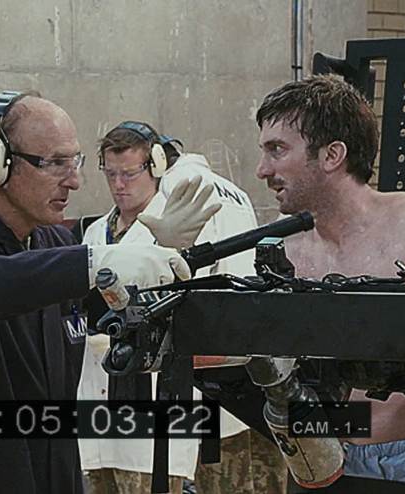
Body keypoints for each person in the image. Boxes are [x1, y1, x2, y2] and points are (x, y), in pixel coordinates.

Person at [0, 91, 192, 493]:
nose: (74, 180)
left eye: (75, 162)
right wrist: (86, 264)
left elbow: (117, 313)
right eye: (54, 163)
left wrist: (165, 259)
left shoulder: (52, 242)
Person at [78, 121, 288, 494]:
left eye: (129, 173)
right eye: (110, 174)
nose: (119, 184)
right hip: (103, 405)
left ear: (156, 166)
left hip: (174, 402)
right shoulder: (95, 233)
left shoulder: (181, 221)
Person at [256, 74, 405, 487]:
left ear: (332, 154)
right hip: (322, 460)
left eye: (277, 150)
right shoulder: (284, 251)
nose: (262, 170)